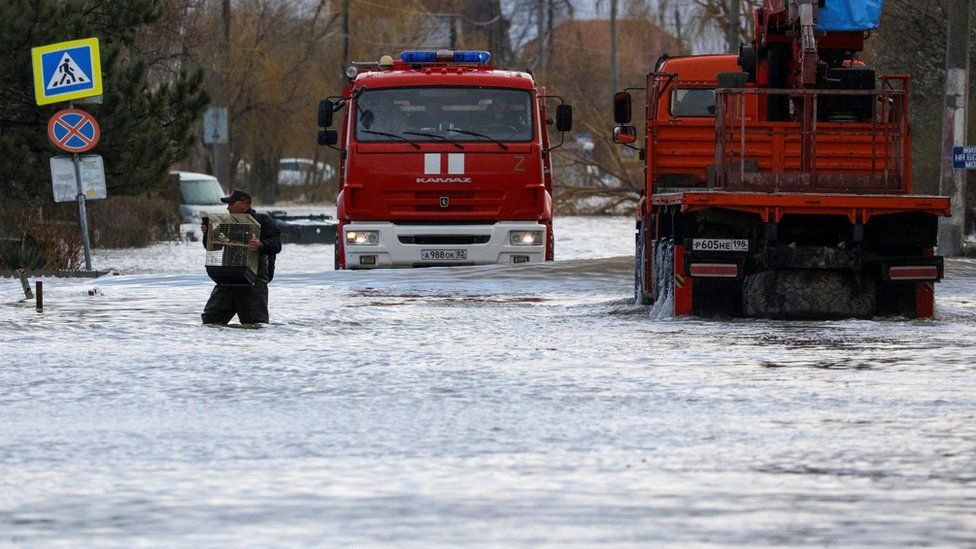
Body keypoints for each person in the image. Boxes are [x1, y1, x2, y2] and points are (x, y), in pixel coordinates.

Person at [200, 189, 281, 325]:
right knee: (210, 321)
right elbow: (213, 247)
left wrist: (260, 245)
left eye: (231, 204)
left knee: (255, 324)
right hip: (228, 279)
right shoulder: (226, 223)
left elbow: (277, 245)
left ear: (245, 204)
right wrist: (208, 234)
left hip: (253, 282)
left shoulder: (263, 221)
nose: (228, 207)